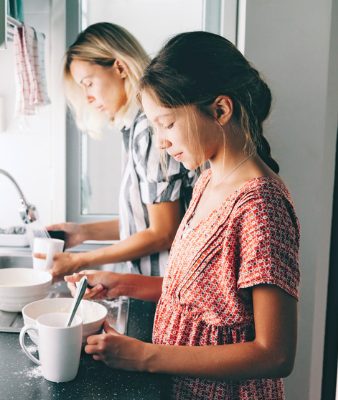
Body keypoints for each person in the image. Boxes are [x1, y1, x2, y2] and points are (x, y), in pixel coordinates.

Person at [65, 31, 300, 399]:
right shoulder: (207, 181)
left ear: (220, 110)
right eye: (154, 125)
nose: (159, 141)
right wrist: (121, 283)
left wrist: (145, 356)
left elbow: (275, 354)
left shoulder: (262, 207)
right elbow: (200, 300)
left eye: (168, 123)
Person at [35, 23, 197, 282]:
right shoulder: (134, 129)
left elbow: (164, 231)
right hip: (155, 286)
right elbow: (144, 222)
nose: (86, 97)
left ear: (120, 67)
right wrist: (82, 232)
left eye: (88, 83)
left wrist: (80, 260)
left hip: (169, 289)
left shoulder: (149, 128)